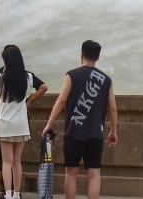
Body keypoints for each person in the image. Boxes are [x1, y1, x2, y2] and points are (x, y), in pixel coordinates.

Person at [41, 40, 118, 199]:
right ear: (98, 57)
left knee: (71, 173)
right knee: (94, 175)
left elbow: (61, 100)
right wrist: (114, 131)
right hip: (95, 134)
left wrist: (50, 123)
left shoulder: (72, 75)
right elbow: (113, 108)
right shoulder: (106, 80)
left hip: (73, 132)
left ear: (81, 54)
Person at [0, 45, 48, 199]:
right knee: (17, 161)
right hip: (21, 124)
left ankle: (7, 194)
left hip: (5, 124)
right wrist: (30, 101)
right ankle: (17, 193)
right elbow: (43, 87)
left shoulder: (0, 77)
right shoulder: (27, 77)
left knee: (7, 161)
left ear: (5, 61)